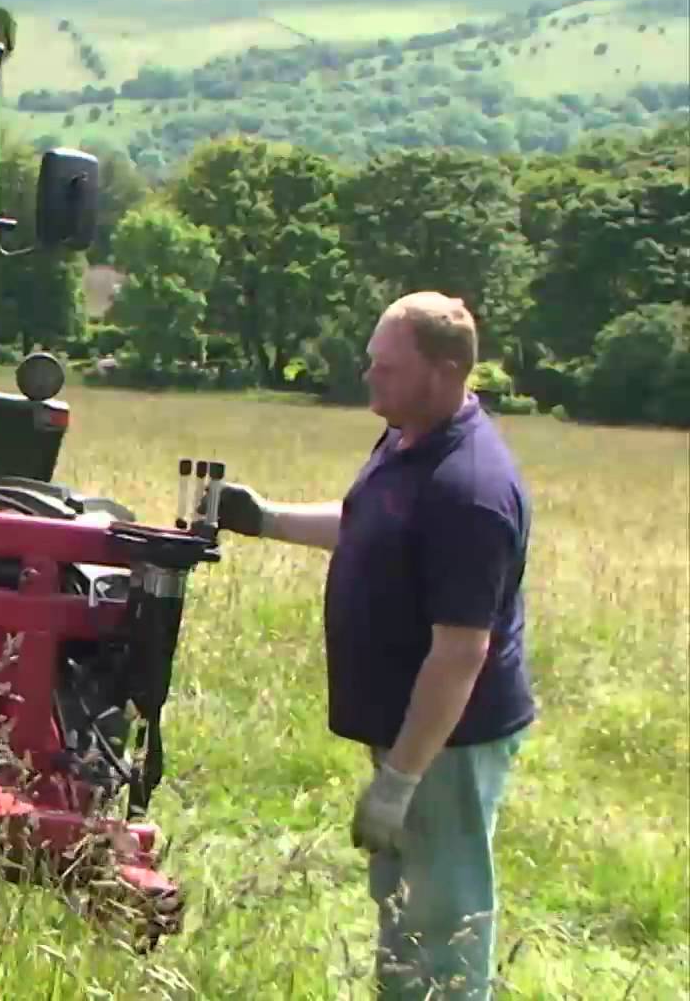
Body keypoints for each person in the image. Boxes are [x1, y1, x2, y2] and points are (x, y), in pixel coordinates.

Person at [211, 290, 536, 1000]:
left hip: (448, 743)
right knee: (405, 906)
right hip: (412, 734)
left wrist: (401, 780)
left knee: (441, 921)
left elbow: (460, 652)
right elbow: (366, 523)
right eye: (372, 364)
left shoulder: (470, 490)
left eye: (387, 369)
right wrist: (263, 519)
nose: (370, 380)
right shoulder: (405, 440)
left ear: (445, 373)